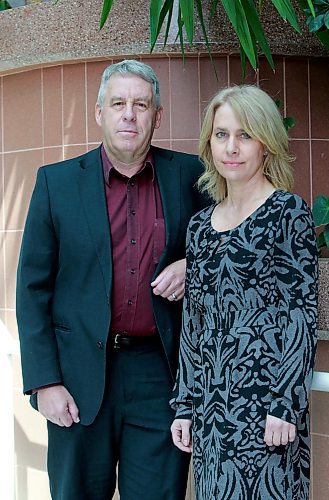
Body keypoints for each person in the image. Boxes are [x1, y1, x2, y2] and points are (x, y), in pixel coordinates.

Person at [16, 59, 208, 500]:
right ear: (99, 113)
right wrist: (44, 382)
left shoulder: (191, 176)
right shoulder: (56, 183)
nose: (129, 114)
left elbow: (230, 238)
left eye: (141, 104)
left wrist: (193, 265)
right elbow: (32, 290)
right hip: (78, 378)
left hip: (159, 376)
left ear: (157, 116)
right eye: (118, 103)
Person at [170, 85, 318, 500]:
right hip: (212, 412)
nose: (231, 148)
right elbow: (193, 324)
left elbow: (300, 315)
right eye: (221, 135)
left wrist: (286, 404)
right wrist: (184, 405)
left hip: (269, 412)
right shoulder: (199, 227)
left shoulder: (288, 213)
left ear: (266, 144)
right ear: (209, 143)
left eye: (245, 135)